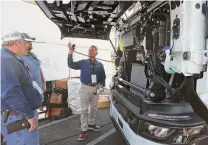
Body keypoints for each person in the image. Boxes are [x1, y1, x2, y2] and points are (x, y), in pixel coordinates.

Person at [1, 31, 42, 145]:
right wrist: (29, 115)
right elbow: (11, 92)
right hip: (18, 116)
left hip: (18, 114)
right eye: (27, 43)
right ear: (17, 42)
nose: (29, 46)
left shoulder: (11, 57)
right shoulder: (7, 60)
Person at [68, 43, 106, 141]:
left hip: (95, 88)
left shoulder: (100, 65)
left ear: (96, 53)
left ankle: (91, 124)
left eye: (92, 50)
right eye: (89, 50)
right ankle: (84, 130)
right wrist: (70, 52)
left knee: (93, 108)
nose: (90, 51)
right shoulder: (83, 62)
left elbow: (103, 77)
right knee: (84, 110)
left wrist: (101, 86)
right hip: (85, 88)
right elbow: (71, 64)